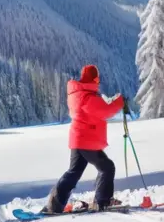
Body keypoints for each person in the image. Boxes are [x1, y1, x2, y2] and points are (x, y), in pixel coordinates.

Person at [42, 64, 129, 214]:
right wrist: (120, 101)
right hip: (86, 139)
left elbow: (100, 107)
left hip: (79, 139)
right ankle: (103, 201)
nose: (98, 82)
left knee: (73, 172)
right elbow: (105, 110)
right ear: (93, 79)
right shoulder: (87, 97)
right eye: (97, 79)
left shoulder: (79, 94)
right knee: (107, 167)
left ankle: (54, 205)